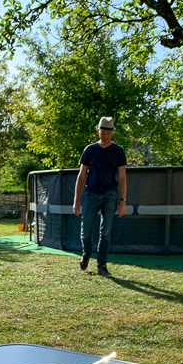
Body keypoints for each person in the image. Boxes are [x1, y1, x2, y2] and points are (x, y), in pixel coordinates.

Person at [73, 116, 127, 278]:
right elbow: (81, 176)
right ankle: (86, 253)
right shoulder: (90, 150)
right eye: (103, 133)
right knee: (86, 231)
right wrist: (76, 200)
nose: (105, 136)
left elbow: (122, 177)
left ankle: (102, 266)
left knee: (106, 232)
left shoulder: (118, 151)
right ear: (98, 131)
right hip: (91, 193)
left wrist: (122, 201)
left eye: (108, 134)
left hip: (110, 195)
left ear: (112, 133)